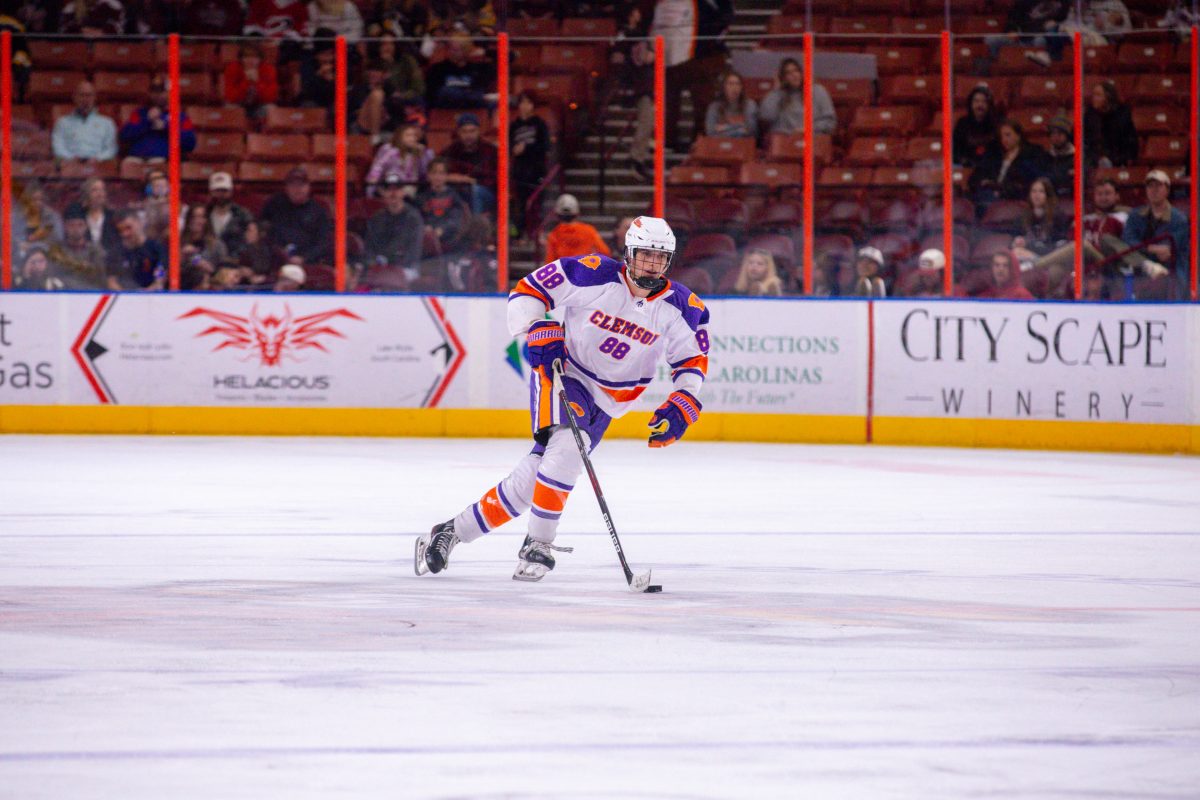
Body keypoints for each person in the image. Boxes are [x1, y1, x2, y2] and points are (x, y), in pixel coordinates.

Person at [415, 216, 710, 582]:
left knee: (535, 480)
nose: (651, 264)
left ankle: (452, 531)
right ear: (628, 253)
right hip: (564, 373)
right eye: (645, 255)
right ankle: (538, 543)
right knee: (570, 445)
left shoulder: (682, 305)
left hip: (609, 402)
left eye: (659, 257)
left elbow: (691, 359)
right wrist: (537, 326)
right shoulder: (591, 273)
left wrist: (684, 400)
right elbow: (529, 290)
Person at [650, 0, 734, 150]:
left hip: (703, 56)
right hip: (671, 56)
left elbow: (726, 16)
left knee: (703, 102)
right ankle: (666, 140)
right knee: (668, 102)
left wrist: (707, 36)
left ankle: (700, 140)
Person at [1121, 170, 1190, 300]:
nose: (1154, 190)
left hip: (1171, 270)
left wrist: (1145, 248)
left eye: (1158, 186)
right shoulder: (1136, 215)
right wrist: (1149, 248)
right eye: (1150, 186)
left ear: (1167, 190)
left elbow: (1168, 250)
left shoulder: (1179, 219)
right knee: (1118, 246)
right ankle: (1147, 266)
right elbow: (1128, 240)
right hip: (1141, 267)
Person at [260, 167, 334, 271]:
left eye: (301, 185)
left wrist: (304, 258)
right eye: (293, 185)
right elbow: (264, 230)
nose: (297, 189)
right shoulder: (274, 205)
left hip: (307, 262)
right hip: (277, 260)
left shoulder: (319, 211)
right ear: (286, 187)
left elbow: (323, 242)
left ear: (308, 187)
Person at [361, 173, 424, 284]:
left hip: (407, 268)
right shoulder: (377, 218)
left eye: (397, 189)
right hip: (381, 267)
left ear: (403, 192)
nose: (393, 193)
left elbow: (413, 252)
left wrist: (390, 265)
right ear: (383, 193)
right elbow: (369, 247)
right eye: (389, 190)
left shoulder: (413, 218)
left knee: (391, 277)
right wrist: (374, 263)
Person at [968, 119, 1049, 206]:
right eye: (1002, 136)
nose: (1004, 139)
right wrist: (983, 182)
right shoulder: (995, 155)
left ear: (1018, 136)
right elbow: (975, 176)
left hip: (1014, 198)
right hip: (990, 194)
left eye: (1008, 135)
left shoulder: (1032, 153)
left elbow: (1029, 181)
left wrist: (1002, 188)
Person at [119, 75, 197, 163]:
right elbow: (125, 136)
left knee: (157, 162)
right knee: (129, 163)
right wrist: (147, 120)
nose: (157, 95)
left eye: (161, 92)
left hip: (164, 159)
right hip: (137, 157)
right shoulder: (140, 113)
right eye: (154, 91)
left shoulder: (180, 116)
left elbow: (190, 144)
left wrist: (167, 127)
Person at [759, 57, 836, 138]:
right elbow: (766, 116)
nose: (794, 75)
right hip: (786, 141)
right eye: (788, 73)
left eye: (796, 70)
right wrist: (776, 90)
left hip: (813, 139)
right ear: (783, 78)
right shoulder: (778, 95)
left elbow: (830, 122)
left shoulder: (818, 91)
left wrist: (807, 129)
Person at [439, 112, 498, 215]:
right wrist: (447, 177)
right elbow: (436, 173)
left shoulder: (491, 151)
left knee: (474, 191)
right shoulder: (449, 152)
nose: (469, 135)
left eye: (472, 131)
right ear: (458, 133)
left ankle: (475, 227)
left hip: (485, 193)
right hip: (458, 191)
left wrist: (471, 181)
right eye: (464, 131)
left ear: (479, 131)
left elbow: (496, 180)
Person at [509, 91, 550, 237]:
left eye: (528, 102)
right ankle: (520, 234)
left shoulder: (540, 124)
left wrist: (526, 148)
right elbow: (508, 146)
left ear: (533, 105)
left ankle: (535, 233)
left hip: (535, 169)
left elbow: (545, 146)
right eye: (522, 102)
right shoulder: (514, 125)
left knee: (535, 204)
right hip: (519, 170)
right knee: (520, 203)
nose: (525, 106)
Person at [1012, 177, 1071, 269]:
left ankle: (1039, 264)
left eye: (1041, 192)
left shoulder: (1058, 216)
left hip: (1051, 257)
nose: (1037, 195)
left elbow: (1061, 245)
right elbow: (1014, 241)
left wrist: (1028, 245)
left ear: (1048, 195)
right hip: (1028, 257)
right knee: (1015, 253)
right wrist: (1017, 241)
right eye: (1034, 191)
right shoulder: (1022, 217)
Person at [425, 33, 496, 109]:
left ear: (466, 51)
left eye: (456, 50)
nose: (451, 52)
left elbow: (480, 90)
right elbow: (434, 95)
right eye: (449, 49)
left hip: (473, 109)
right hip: (445, 109)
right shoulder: (437, 69)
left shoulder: (477, 69)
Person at [52, 81, 117, 162]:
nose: (85, 99)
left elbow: (111, 149)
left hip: (98, 166)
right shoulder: (62, 122)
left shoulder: (107, 123)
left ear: (94, 98)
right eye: (82, 95)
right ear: (74, 97)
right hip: (70, 166)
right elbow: (58, 148)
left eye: (89, 95)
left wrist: (97, 159)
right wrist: (72, 158)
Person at [47, 203, 108, 289]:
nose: (76, 229)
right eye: (72, 225)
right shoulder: (57, 250)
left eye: (80, 225)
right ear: (65, 227)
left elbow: (101, 280)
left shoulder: (95, 251)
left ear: (86, 226)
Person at [416, 157, 469, 254]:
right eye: (434, 173)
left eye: (441, 173)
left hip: (449, 240)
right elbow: (418, 218)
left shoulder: (454, 197)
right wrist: (426, 228)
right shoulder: (421, 197)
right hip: (426, 241)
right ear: (428, 175)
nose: (437, 177)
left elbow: (455, 220)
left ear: (446, 176)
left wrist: (441, 229)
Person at [106, 210, 167, 291]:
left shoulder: (156, 249)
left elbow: (160, 274)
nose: (125, 234)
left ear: (139, 223)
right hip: (124, 299)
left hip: (152, 298)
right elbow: (111, 281)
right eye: (121, 230)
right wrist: (127, 296)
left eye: (128, 228)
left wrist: (146, 292)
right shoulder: (115, 253)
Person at [365, 123, 433, 194]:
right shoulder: (389, 149)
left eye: (414, 136)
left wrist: (423, 156)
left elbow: (424, 173)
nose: (412, 139)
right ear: (399, 136)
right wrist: (372, 185)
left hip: (410, 189)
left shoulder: (419, 151)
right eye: (408, 135)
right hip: (388, 186)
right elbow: (378, 167)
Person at [1084, 80, 1137, 168]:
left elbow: (1130, 143)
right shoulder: (1089, 116)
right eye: (1093, 95)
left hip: (1117, 160)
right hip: (1093, 161)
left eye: (1098, 95)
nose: (1094, 98)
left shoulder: (1122, 116)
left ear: (1108, 97)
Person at [544, 194, 610, 264]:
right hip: (586, 271)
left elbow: (549, 262)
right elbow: (605, 252)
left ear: (556, 214)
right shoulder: (589, 230)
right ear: (577, 213)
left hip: (565, 273)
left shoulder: (554, 235)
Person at [222, 42, 279, 120]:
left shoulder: (269, 69)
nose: (251, 60)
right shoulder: (232, 68)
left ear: (260, 59)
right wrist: (246, 82)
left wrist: (257, 82)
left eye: (255, 57)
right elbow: (231, 97)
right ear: (241, 59)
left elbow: (270, 98)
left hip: (260, 105)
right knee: (229, 107)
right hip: (238, 105)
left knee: (271, 108)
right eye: (246, 57)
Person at [205, 171, 255, 258]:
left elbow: (250, 243)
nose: (221, 195)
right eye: (217, 191)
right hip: (207, 263)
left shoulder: (243, 214)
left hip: (235, 263)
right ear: (211, 192)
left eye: (224, 191)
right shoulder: (204, 214)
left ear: (231, 192)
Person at [952, 85, 1000, 168]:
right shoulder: (962, 123)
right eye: (976, 101)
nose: (980, 105)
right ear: (971, 104)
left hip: (990, 167)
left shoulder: (997, 124)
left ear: (989, 104)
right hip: (966, 165)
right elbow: (954, 150)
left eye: (984, 101)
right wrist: (964, 161)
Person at [705, 70, 758, 140]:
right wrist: (740, 128)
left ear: (741, 87)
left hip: (743, 145)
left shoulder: (750, 105)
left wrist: (724, 128)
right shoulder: (714, 107)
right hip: (720, 145)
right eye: (730, 84)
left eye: (738, 84)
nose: (734, 87)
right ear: (723, 87)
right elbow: (710, 133)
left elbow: (752, 131)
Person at [78, 177, 121, 255]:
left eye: (102, 190)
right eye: (94, 190)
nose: (99, 193)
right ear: (86, 194)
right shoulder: (79, 215)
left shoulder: (113, 216)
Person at [1044, 115, 1075, 198]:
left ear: (1067, 135)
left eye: (1060, 133)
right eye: (1053, 133)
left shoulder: (1077, 157)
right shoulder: (1045, 156)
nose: (1056, 137)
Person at [58, 0, 125, 35]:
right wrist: (82, 31)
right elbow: (63, 30)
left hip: (106, 48)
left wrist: (102, 32)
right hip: (77, 49)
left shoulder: (113, 5)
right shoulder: (71, 7)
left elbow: (118, 30)